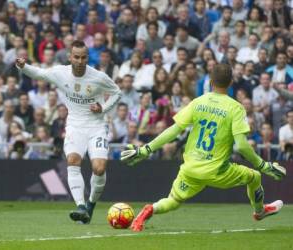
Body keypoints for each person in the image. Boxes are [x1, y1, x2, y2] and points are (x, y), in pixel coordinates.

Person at [121, 64, 286, 232]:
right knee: (254, 176)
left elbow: (173, 130)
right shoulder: (235, 108)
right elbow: (242, 146)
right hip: (218, 171)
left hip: (190, 168)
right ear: (230, 82)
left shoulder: (198, 102)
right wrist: (263, 165)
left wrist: (145, 150)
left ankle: (149, 210)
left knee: (173, 201)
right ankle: (259, 211)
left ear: (211, 81)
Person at [16, 40, 121, 224]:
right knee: (73, 160)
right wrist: (24, 67)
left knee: (99, 168)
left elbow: (116, 92)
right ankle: (80, 206)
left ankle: (90, 204)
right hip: (75, 125)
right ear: (70, 57)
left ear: (87, 57)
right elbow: (39, 73)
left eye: (83, 57)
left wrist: (103, 108)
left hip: (97, 126)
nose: (80, 61)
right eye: (77, 57)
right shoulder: (60, 73)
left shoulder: (98, 77)